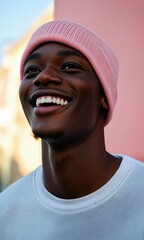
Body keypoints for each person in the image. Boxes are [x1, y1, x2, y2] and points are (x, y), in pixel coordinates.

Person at [0, 20, 144, 240]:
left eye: (69, 66)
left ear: (104, 97)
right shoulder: (5, 213)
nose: (43, 77)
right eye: (31, 70)